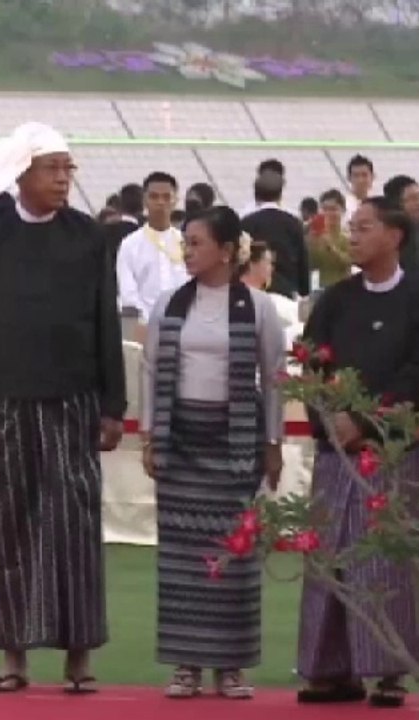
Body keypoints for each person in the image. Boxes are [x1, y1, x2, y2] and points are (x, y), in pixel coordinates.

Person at [0, 122, 126, 694]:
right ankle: (13, 656)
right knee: (8, 525)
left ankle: (79, 658)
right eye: (53, 168)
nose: (64, 179)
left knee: (75, 524)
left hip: (74, 398)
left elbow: (105, 321)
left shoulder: (86, 236)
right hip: (4, 399)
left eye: (69, 168)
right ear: (21, 170)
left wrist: (112, 405)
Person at [296, 197, 419, 707]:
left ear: (394, 236)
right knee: (327, 555)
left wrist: (363, 421)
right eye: (352, 229)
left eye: (363, 228)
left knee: (383, 557)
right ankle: (329, 669)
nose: (353, 237)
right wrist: (330, 422)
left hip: (390, 451)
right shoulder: (336, 299)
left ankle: (388, 670)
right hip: (334, 450)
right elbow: (311, 364)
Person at [140, 206, 285, 699]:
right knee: (181, 557)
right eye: (185, 242)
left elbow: (274, 379)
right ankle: (186, 663)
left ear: (226, 251)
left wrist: (272, 444)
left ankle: (232, 665)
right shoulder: (169, 304)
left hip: (236, 442)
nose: (188, 251)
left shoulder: (259, 308)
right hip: (182, 440)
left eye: (197, 242)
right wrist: (151, 435)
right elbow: (151, 370)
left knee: (235, 554)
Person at [116, 172, 189, 330]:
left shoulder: (186, 243)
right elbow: (128, 294)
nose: (160, 203)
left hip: (184, 326)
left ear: (175, 200)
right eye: (154, 197)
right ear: (145, 200)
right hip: (143, 328)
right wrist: (148, 322)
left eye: (166, 197)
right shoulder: (130, 245)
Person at [242, 174, 309, 299]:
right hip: (287, 290)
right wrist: (305, 292)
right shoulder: (293, 223)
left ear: (256, 196)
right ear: (280, 195)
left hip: (255, 291)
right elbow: (302, 262)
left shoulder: (246, 222)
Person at [308, 189, 352, 288]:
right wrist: (311, 244)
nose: (328, 213)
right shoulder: (315, 237)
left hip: (343, 289)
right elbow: (311, 265)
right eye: (325, 209)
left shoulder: (348, 236)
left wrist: (331, 247)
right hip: (321, 289)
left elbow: (348, 262)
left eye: (333, 209)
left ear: (343, 210)